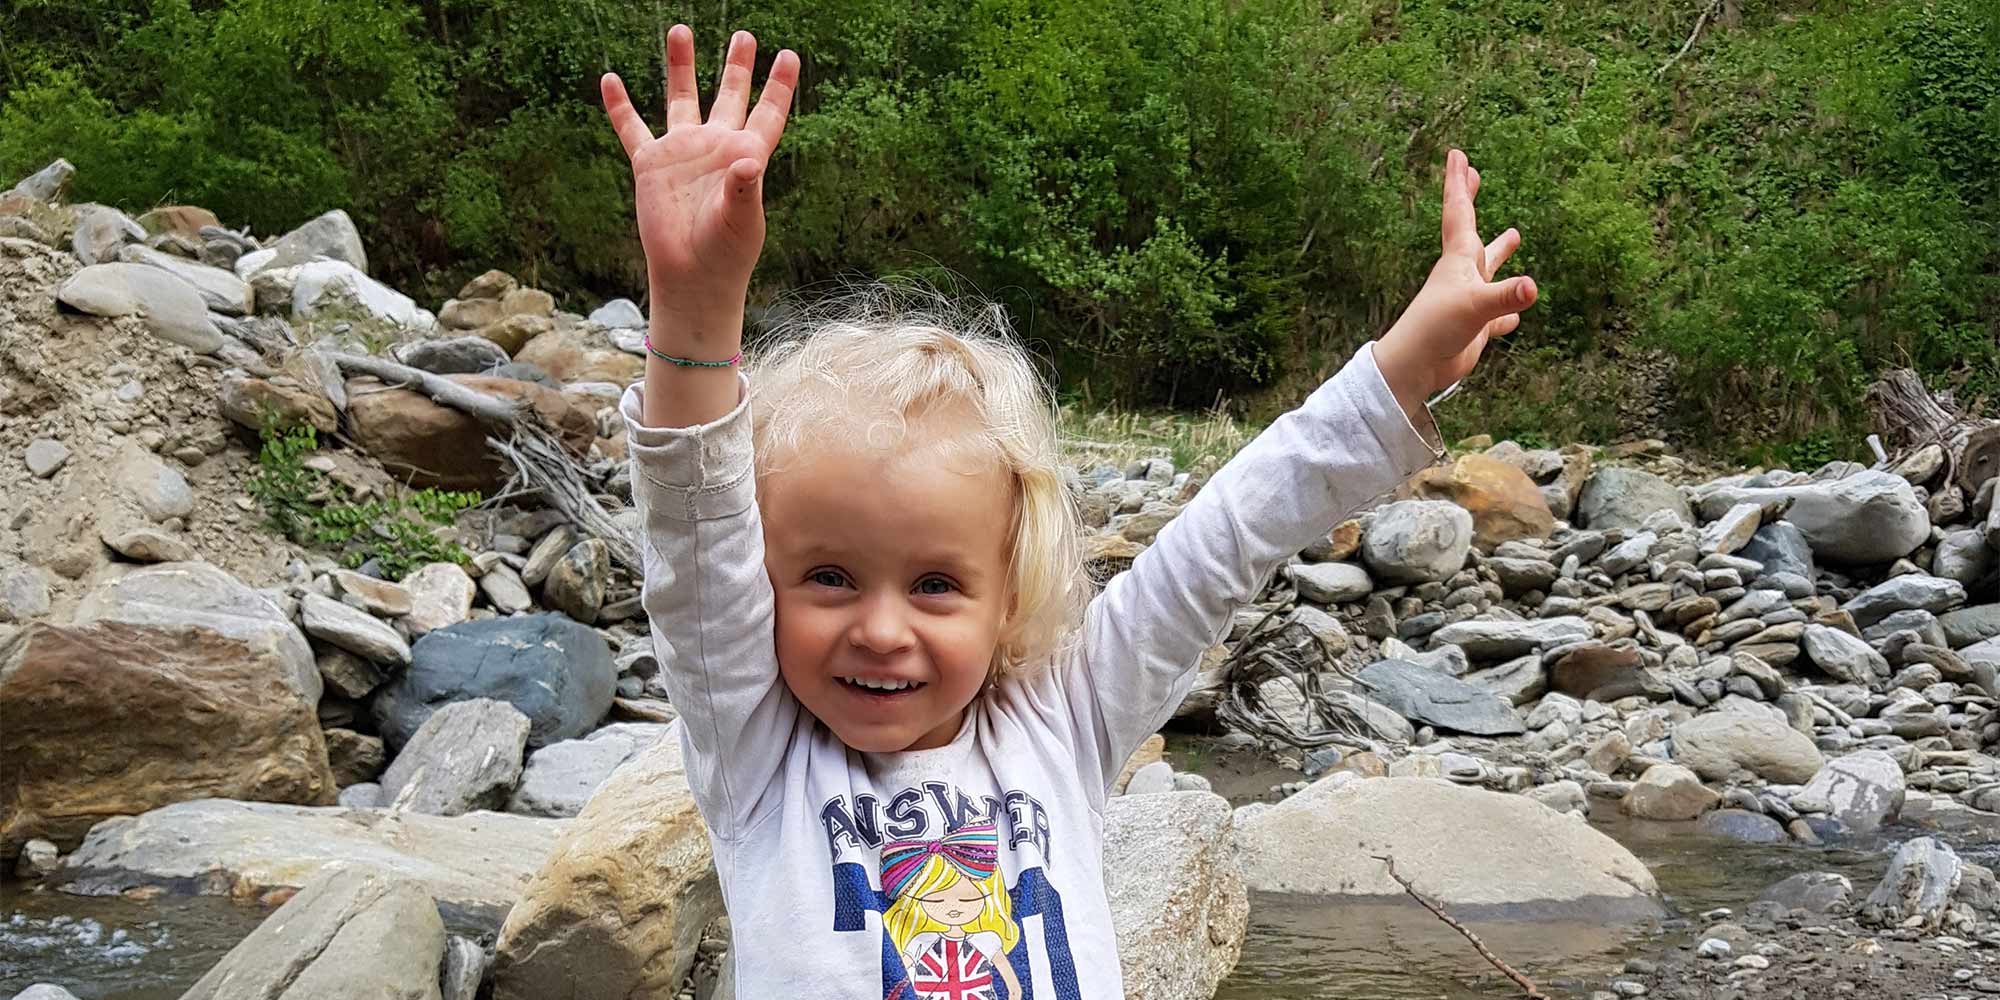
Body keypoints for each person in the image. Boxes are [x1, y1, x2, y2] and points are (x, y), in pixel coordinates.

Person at [603, 23, 1536, 999]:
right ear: (763, 584)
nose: (880, 629)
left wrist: (1400, 370)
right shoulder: (756, 751)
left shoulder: (1064, 719)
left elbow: (1226, 538)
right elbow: (696, 533)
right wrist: (694, 313)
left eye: (935, 584)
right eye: (829, 577)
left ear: (1008, 594)